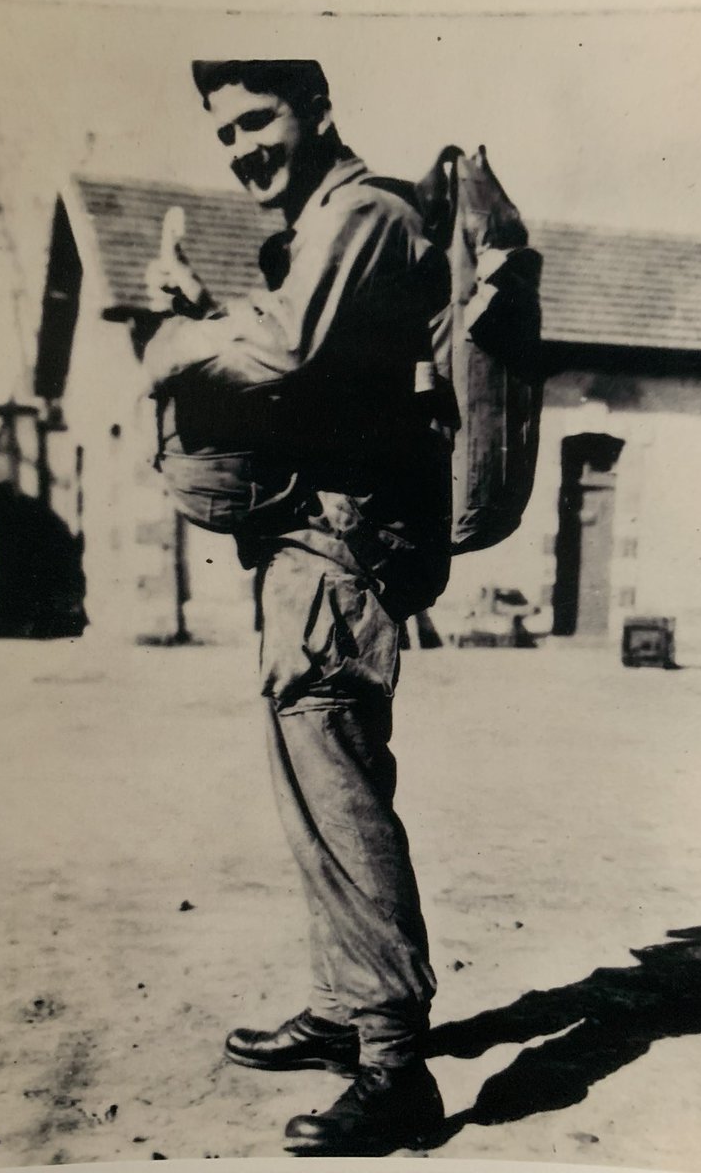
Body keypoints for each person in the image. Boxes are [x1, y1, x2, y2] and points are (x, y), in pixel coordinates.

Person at [140, 59, 454, 1156]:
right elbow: (292, 356)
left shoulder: (362, 212)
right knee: (312, 800)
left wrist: (176, 343)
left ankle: (395, 1068)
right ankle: (344, 1005)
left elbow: (279, 353)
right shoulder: (322, 224)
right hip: (303, 553)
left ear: (318, 107)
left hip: (340, 556)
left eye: (258, 118)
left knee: (344, 800)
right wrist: (203, 316)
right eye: (225, 133)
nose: (243, 149)